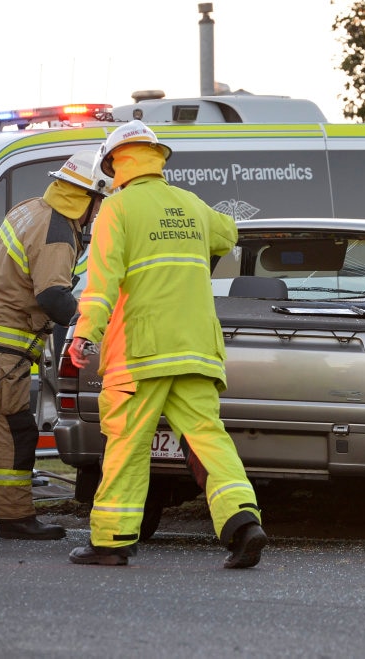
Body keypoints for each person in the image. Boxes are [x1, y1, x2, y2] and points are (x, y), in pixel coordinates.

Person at [66, 120, 267, 568]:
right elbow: (228, 233)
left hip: (140, 353)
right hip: (195, 348)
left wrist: (86, 334)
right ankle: (242, 523)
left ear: (116, 162)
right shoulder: (190, 204)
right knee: (209, 440)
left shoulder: (116, 211)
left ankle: (112, 540)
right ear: (157, 158)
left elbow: (101, 285)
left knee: (126, 444)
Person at [0, 151, 111, 540]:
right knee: (13, 428)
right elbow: (52, 297)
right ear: (88, 197)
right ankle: (13, 517)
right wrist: (94, 322)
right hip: (2, 343)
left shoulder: (32, 208)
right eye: (100, 202)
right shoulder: (58, 233)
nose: (99, 213)